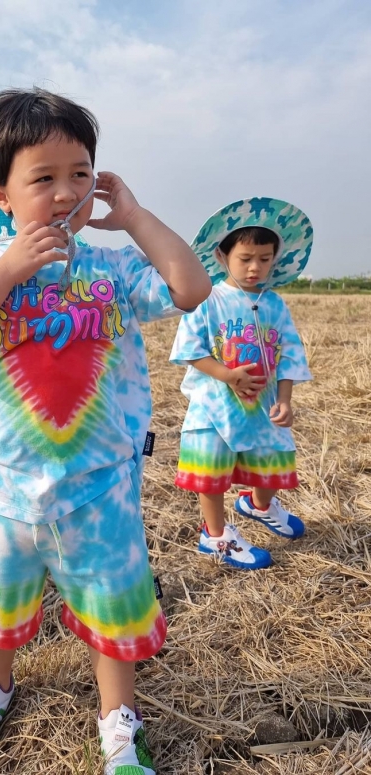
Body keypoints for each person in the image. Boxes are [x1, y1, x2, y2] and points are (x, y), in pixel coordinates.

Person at [0, 87, 211, 773]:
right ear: (1, 194)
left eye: (81, 173)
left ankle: (118, 723)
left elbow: (190, 288)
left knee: (113, 608)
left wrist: (133, 217)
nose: (67, 191)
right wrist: (11, 266)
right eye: (43, 178)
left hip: (99, 487)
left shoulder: (111, 270)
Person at [169, 198, 313, 570]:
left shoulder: (275, 305)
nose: (255, 268)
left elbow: (289, 355)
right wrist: (227, 375)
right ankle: (215, 535)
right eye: (245, 258)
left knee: (272, 461)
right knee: (212, 474)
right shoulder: (207, 298)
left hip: (263, 405)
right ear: (222, 256)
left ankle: (258, 504)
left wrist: (284, 399)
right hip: (214, 405)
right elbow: (190, 350)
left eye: (264, 259)